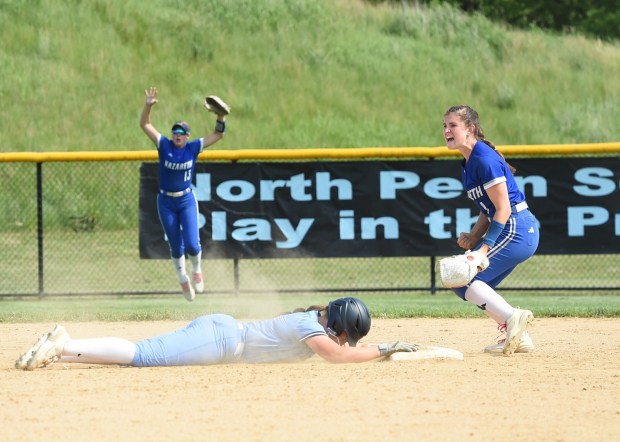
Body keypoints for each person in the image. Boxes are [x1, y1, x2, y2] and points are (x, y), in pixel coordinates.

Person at [15, 297, 419, 370]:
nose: (348, 342)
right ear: (339, 326)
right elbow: (338, 357)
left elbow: (339, 351)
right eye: (350, 335)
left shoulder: (314, 324)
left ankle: (60, 353)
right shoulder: (308, 327)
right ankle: (65, 342)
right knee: (142, 355)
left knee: (143, 355)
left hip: (223, 335)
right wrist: (384, 349)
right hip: (222, 341)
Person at [442, 105, 539, 355]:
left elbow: (503, 208)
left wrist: (482, 249)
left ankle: (513, 318)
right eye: (444, 126)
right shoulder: (469, 161)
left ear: (470, 129)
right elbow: (489, 208)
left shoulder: (484, 159)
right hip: (510, 228)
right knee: (461, 283)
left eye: (453, 125)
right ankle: (518, 335)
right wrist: (475, 235)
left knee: (466, 274)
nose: (446, 131)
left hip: (516, 228)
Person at [140, 87, 227, 301]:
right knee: (175, 244)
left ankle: (197, 269)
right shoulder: (164, 145)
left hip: (186, 199)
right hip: (166, 200)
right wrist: (148, 105)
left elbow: (218, 134)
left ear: (187, 136)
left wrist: (221, 116)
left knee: (192, 244)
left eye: (181, 133)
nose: (177, 135)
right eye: (175, 132)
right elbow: (145, 124)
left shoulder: (193, 147)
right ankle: (182, 278)